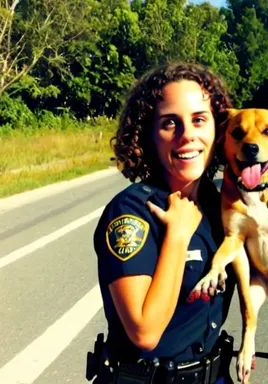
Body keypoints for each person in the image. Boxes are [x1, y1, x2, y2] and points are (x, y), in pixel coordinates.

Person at [88, 62, 237, 384]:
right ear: (148, 134)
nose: (188, 136)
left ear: (218, 128)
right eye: (170, 123)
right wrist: (178, 235)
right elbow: (144, 331)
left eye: (199, 120)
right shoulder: (132, 211)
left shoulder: (220, 205)